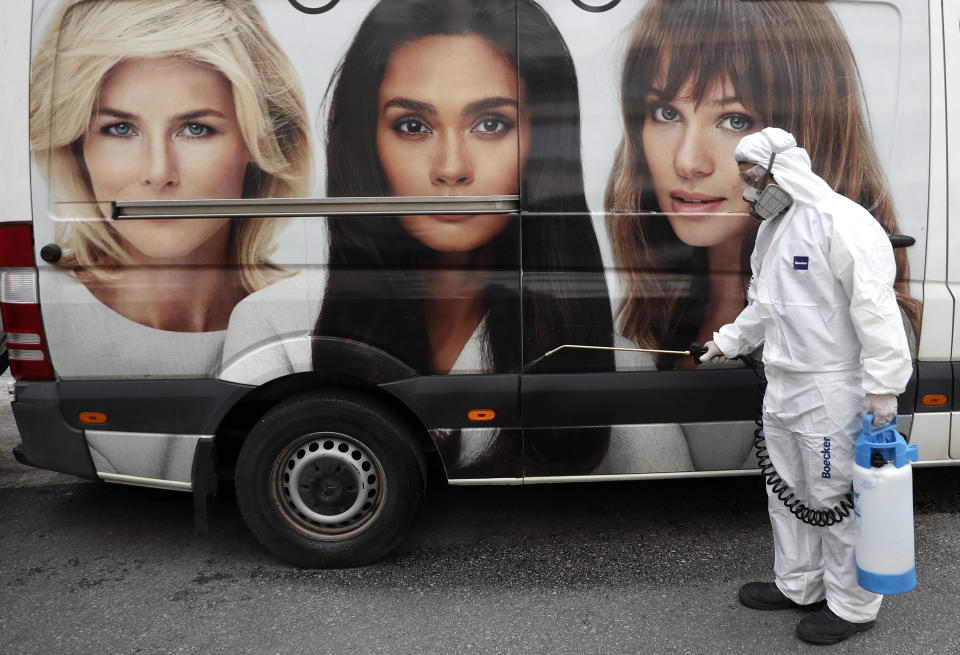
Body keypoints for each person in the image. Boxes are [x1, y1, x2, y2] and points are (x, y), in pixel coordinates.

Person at [223, 0, 691, 478]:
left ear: (542, 146)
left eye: (491, 124)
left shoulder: (605, 362)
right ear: (366, 143)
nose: (451, 168)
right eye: (413, 126)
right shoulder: (273, 329)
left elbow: (673, 505)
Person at [606, 0, 920, 371]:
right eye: (667, 113)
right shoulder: (653, 313)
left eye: (735, 120)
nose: (687, 162)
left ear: (810, 138)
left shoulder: (845, 317)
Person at [700, 127, 913, 645]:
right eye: (746, 180)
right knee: (788, 491)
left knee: (832, 495)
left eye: (753, 178)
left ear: (783, 170)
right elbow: (765, 305)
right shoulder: (775, 227)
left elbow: (875, 309)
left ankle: (852, 607)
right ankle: (800, 584)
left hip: (830, 389)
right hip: (783, 384)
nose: (749, 190)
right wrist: (728, 341)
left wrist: (884, 386)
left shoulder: (842, 222)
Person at [29, 0, 313, 377]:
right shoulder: (43, 309)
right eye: (119, 128)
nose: (159, 172)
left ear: (258, 143)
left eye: (196, 128)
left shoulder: (308, 310)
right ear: (77, 143)